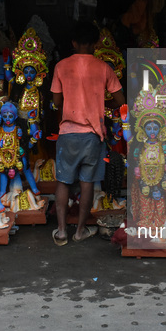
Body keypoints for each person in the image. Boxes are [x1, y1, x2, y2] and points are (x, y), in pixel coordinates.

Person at [50, 21, 125, 245]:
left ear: (73, 42)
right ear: (96, 43)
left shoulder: (61, 66)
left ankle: (62, 231)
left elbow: (56, 101)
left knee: (63, 181)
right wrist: (102, 104)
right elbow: (121, 101)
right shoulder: (104, 68)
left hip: (67, 133)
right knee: (87, 183)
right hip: (93, 135)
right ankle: (80, 231)